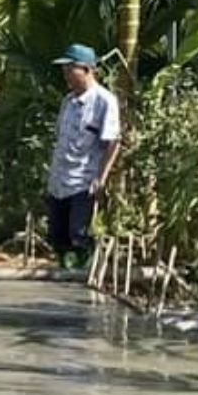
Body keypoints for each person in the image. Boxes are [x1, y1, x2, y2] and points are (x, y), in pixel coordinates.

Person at [47, 44, 121, 270]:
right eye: (65, 69)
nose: (66, 75)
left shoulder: (104, 101)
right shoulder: (68, 102)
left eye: (71, 69)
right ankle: (62, 279)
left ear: (87, 70)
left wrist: (101, 178)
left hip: (83, 181)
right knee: (57, 235)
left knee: (78, 234)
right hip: (59, 180)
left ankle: (80, 278)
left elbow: (113, 142)